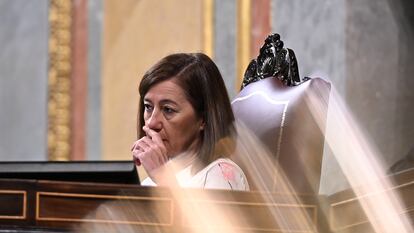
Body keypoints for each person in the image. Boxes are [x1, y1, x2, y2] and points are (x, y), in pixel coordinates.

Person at [131, 53, 249, 191]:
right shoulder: (150, 182)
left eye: (168, 109)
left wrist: (162, 176)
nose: (151, 123)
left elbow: (197, 214)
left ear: (203, 119)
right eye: (148, 107)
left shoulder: (221, 174)